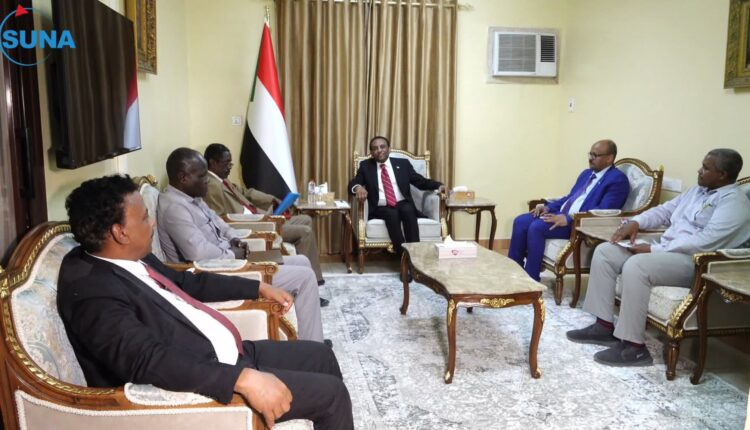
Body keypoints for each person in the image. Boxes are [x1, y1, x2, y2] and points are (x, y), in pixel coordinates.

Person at [57, 175, 353, 429]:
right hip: (210, 379)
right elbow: (148, 360)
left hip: (229, 353)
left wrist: (258, 287)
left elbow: (189, 283)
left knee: (321, 356)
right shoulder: (93, 294)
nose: (153, 222)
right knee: (332, 395)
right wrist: (242, 379)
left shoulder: (128, 256)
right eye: (145, 217)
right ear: (119, 232)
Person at [567, 148, 750, 366]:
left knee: (637, 266)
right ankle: (603, 327)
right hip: (667, 250)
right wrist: (635, 222)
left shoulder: (734, 204)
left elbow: (705, 241)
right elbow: (663, 211)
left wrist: (655, 250)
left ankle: (634, 348)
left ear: (722, 175)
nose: (699, 171)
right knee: (606, 251)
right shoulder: (696, 191)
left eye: (706, 168)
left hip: (695, 262)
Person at [157, 147, 326, 341]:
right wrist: (232, 254)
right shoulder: (175, 208)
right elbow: (199, 253)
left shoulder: (192, 198)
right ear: (183, 177)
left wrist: (235, 239)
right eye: (202, 176)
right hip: (215, 273)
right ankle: (313, 344)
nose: (207, 180)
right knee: (305, 277)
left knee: (303, 261)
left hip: (228, 260)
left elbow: (219, 222)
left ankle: (307, 335)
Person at [202, 143, 324, 286]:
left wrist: (271, 199)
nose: (230, 167)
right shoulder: (211, 185)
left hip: (260, 218)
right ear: (213, 162)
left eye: (231, 163)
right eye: (226, 163)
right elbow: (220, 219)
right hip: (253, 225)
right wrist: (255, 220)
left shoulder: (222, 179)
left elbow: (246, 192)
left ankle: (306, 273)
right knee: (305, 232)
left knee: (305, 219)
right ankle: (312, 280)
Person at [508, 139, 630, 281]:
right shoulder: (586, 174)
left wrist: (569, 218)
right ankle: (514, 274)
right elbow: (570, 198)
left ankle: (531, 281)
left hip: (578, 224)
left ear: (609, 158)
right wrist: (548, 207)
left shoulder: (617, 180)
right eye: (590, 154)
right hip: (562, 214)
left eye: (595, 155)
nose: (590, 158)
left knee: (537, 227)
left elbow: (603, 211)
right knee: (521, 221)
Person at [347, 136, 446, 254]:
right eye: (375, 148)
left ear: (389, 149)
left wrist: (438, 186)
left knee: (408, 210)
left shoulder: (403, 164)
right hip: (380, 207)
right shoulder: (365, 166)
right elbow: (353, 183)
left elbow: (419, 181)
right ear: (372, 153)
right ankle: (402, 253)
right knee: (391, 213)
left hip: (402, 203)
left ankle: (415, 252)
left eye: (382, 147)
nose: (379, 150)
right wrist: (358, 187)